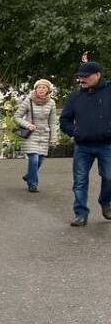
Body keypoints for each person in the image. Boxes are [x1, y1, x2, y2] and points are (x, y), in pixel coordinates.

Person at [59, 61, 111, 226]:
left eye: (86, 76)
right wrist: (74, 132)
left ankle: (105, 202)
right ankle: (80, 214)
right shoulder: (75, 96)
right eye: (80, 76)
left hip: (107, 145)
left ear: (98, 74)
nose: (82, 79)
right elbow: (64, 120)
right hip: (83, 146)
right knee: (80, 181)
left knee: (109, 177)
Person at [15, 79, 59, 192]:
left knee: (39, 161)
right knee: (33, 159)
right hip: (31, 134)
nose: (41, 89)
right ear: (35, 89)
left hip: (44, 135)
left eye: (44, 88)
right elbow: (17, 117)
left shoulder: (51, 103)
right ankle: (33, 184)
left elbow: (53, 122)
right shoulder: (28, 101)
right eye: (39, 87)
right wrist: (28, 125)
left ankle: (29, 175)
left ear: (48, 90)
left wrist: (53, 138)